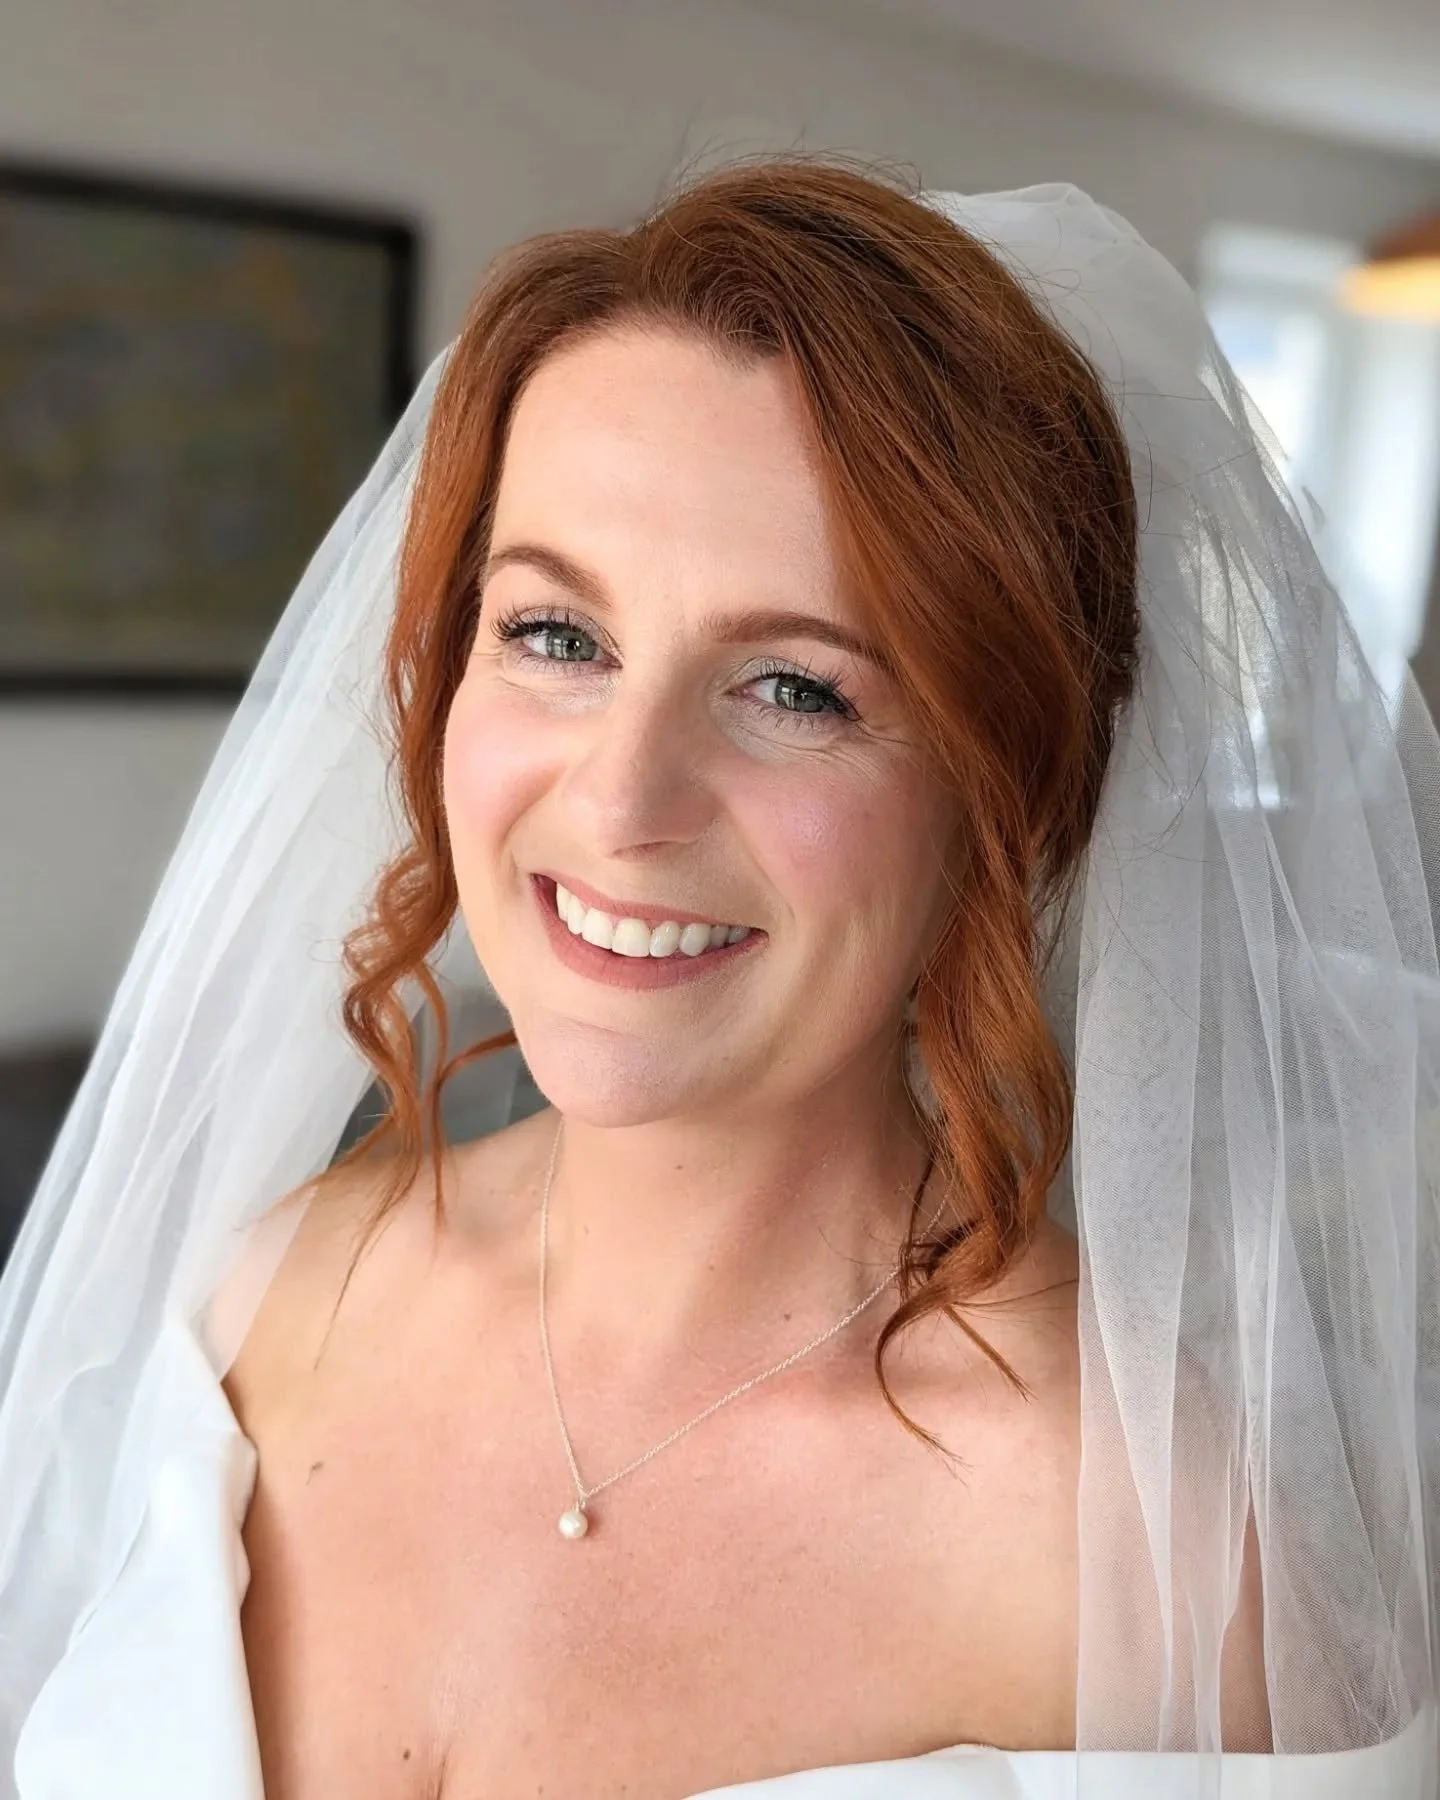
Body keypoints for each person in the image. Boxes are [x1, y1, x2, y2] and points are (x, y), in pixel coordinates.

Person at [2, 157, 1438, 1799]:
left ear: (1006, 798)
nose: (621, 804)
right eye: (556, 636)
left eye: (792, 688)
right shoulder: (272, 1298)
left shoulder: (1146, 1553)